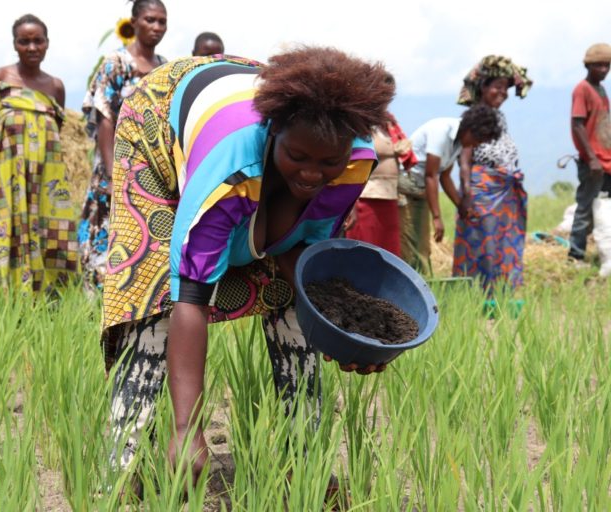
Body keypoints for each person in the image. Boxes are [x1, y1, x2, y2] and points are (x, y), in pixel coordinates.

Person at [100, 47, 395, 482]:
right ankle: (123, 472)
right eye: (299, 157)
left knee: (291, 296)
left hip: (244, 117)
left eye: (327, 163)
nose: (312, 173)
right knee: (154, 293)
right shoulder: (230, 171)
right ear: (275, 131)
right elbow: (191, 295)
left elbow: (302, 251)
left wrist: (342, 330)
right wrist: (187, 429)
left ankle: (306, 465)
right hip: (159, 117)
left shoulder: (353, 160)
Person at [0, 14, 78, 296]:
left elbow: (52, 134)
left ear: (47, 43)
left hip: (44, 181)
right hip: (5, 180)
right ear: (14, 44)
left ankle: (50, 300)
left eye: (38, 41)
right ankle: (1, 298)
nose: (32, 47)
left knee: (51, 235)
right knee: (1, 233)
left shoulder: (55, 87)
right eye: (24, 41)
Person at [79, 0, 167, 291]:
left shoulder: (164, 67)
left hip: (149, 169)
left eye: (161, 21)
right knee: (107, 228)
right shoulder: (116, 63)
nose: (156, 27)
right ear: (134, 21)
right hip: (116, 163)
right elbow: (104, 116)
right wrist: (112, 173)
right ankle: (96, 300)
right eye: (150, 20)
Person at [453, 56, 532, 290]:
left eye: (506, 88)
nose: (503, 93)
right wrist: (467, 193)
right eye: (497, 86)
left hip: (505, 190)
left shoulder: (500, 117)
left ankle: (502, 291)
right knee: (482, 243)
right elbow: (464, 159)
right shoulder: (472, 117)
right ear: (483, 87)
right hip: (482, 190)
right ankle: (477, 293)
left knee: (502, 243)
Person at [400, 105, 501, 274]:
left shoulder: (459, 142)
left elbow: (445, 176)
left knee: (422, 247)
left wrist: (460, 205)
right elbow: (431, 175)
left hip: (420, 191)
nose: (476, 144)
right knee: (409, 244)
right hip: (405, 187)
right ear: (471, 129)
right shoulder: (441, 131)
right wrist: (437, 218)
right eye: (478, 139)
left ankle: (422, 281)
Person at [343, 108, 417, 256]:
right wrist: (352, 201)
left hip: (390, 196)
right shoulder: (361, 124)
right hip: (366, 197)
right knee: (365, 247)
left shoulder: (390, 126)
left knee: (388, 249)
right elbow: (350, 161)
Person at [567, 43, 611, 262]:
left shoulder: (601, 90)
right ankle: (575, 256)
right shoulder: (582, 89)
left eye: (607, 65)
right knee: (585, 208)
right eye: (598, 65)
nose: (603, 70)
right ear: (588, 66)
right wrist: (592, 158)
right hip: (593, 161)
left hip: (606, 160)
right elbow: (578, 125)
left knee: (604, 208)